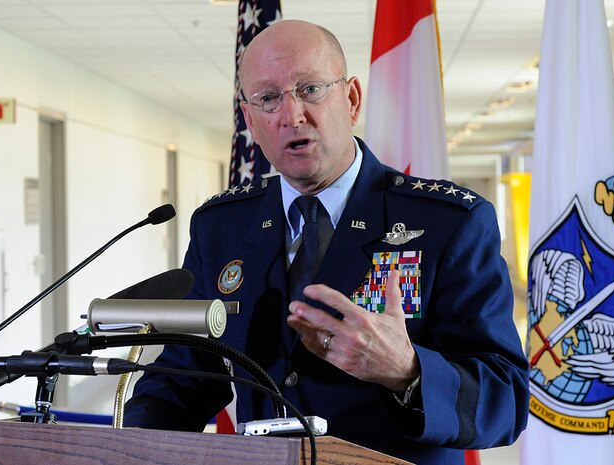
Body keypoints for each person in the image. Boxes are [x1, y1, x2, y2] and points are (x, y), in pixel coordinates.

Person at [124, 19, 529, 465]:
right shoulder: (221, 226)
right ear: (250, 121)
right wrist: (120, 448)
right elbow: (186, 375)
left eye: (310, 89)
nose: (292, 114)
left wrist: (409, 373)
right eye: (268, 98)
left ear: (351, 98)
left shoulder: (448, 222)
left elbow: (505, 400)